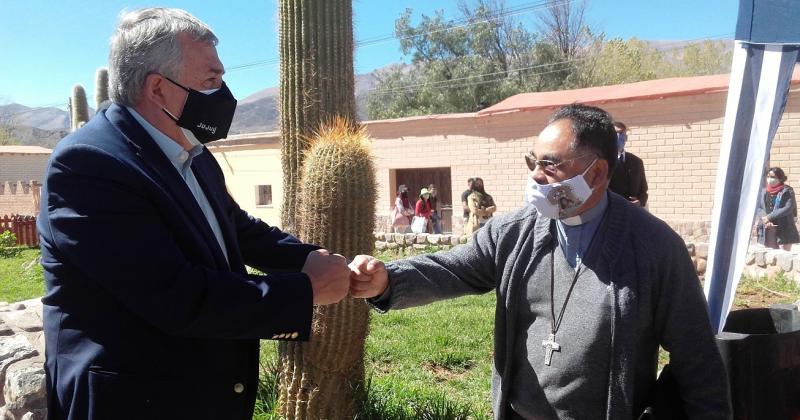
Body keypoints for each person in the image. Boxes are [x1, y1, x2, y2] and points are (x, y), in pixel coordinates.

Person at [37, 8, 352, 420]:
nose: (223, 93)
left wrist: (307, 257)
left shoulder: (192, 153)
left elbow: (236, 228)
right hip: (131, 401)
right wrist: (304, 291)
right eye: (211, 80)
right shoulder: (89, 166)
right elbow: (177, 296)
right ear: (158, 88)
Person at [350, 104, 731, 419]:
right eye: (532, 161)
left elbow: (698, 360)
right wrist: (387, 280)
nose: (535, 175)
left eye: (550, 165)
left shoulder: (653, 246)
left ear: (596, 172)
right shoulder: (512, 232)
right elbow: (454, 268)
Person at [608, 121, 649, 207]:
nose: (619, 137)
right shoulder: (605, 161)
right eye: (616, 133)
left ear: (626, 137)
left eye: (622, 134)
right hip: (613, 211)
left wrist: (640, 201)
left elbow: (643, 190)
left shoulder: (637, 161)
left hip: (633, 213)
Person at [760, 167, 799, 251]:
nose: (769, 179)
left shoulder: (787, 190)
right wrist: (765, 218)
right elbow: (760, 208)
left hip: (785, 227)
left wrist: (769, 217)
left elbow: (788, 207)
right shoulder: (764, 191)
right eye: (768, 176)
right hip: (769, 227)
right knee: (770, 255)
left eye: (773, 177)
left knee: (784, 255)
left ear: (780, 178)